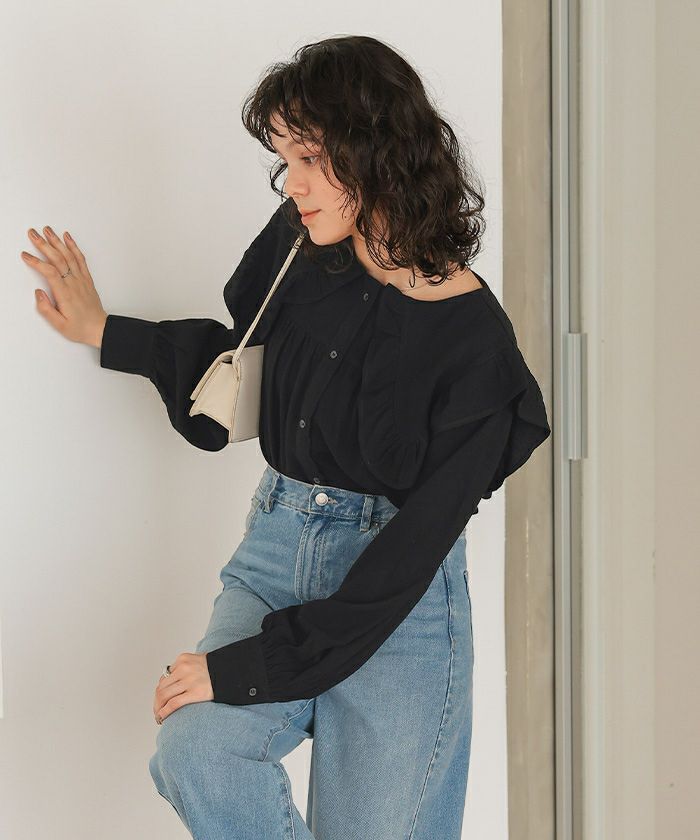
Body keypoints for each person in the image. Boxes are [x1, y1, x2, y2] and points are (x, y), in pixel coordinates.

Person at [21, 34, 550, 840]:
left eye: (310, 158)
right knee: (198, 753)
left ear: (377, 152)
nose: (292, 183)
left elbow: (407, 560)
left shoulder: (477, 349)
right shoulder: (302, 244)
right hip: (277, 550)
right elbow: (237, 366)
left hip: (401, 608)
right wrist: (106, 330)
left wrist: (247, 668)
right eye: (285, 159)